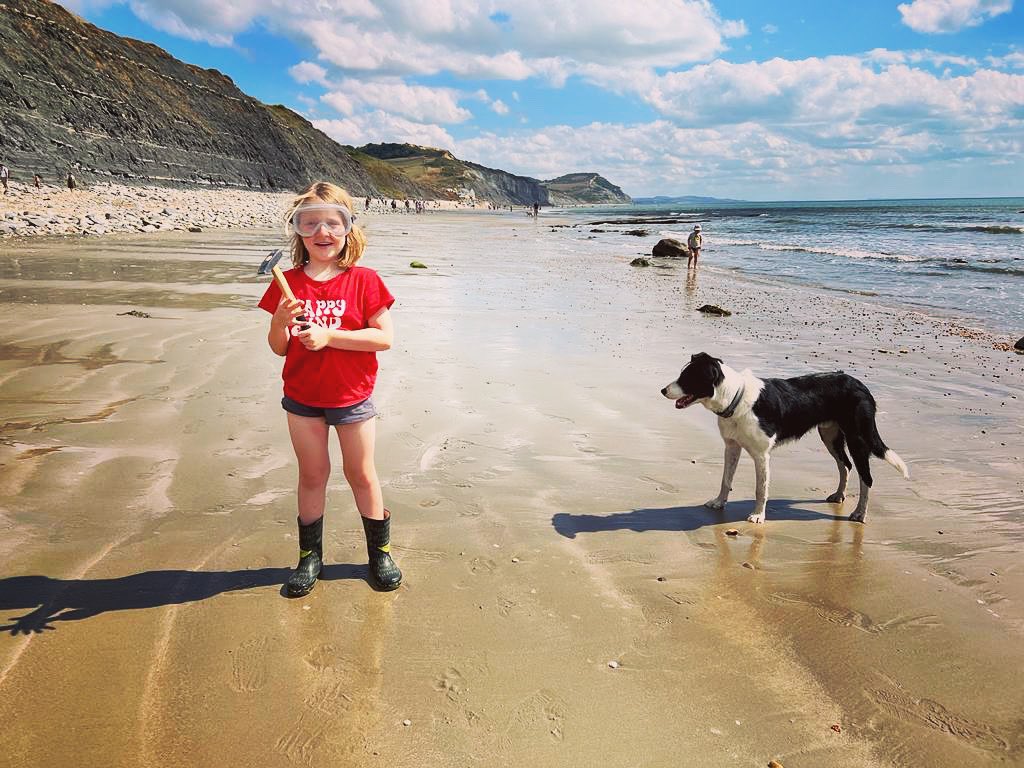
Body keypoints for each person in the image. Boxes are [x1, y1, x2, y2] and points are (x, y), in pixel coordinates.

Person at [257, 181, 402, 596]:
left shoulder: (364, 280)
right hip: (302, 399)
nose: (323, 232)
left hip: (352, 397)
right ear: (298, 231)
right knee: (312, 474)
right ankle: (309, 558)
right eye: (310, 223)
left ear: (348, 229)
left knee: (361, 473)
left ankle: (380, 553)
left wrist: (329, 336)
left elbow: (383, 338)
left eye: (333, 223)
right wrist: (278, 321)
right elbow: (279, 348)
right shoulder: (286, 283)